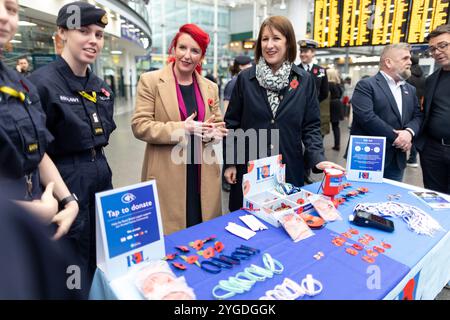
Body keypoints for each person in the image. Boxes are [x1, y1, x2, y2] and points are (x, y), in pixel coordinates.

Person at [29, 1, 116, 291]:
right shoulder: (40, 85)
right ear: (62, 33)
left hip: (101, 178)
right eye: (83, 31)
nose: (93, 40)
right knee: (70, 262)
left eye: (99, 34)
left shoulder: (101, 87)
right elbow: (35, 151)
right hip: (65, 180)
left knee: (101, 257)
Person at [223, 16, 344, 212]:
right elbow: (232, 124)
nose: (269, 45)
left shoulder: (303, 80)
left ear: (288, 42)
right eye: (264, 39)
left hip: (288, 167)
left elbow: (311, 126)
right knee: (247, 223)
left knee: (286, 222)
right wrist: (230, 164)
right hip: (250, 168)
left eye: (276, 38)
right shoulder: (246, 79)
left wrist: (318, 158)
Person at [131, 23, 227, 235]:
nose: (187, 55)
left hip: (202, 174)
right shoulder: (152, 81)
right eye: (183, 47)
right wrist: (183, 128)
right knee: (171, 239)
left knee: (203, 235)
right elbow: (140, 125)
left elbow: (217, 122)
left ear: (201, 56)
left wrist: (214, 133)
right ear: (173, 49)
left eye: (195, 51)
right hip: (168, 174)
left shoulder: (210, 87)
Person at [0, 0, 78, 239]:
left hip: (27, 233)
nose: (4, 16)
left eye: (11, 8)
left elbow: (35, 149)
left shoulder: (19, 84)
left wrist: (69, 200)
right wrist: (32, 212)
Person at [350, 43, 423, 182]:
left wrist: (409, 132)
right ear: (388, 62)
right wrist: (398, 138)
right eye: (405, 58)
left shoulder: (410, 89)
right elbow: (366, 117)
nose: (410, 62)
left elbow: (418, 115)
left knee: (391, 200)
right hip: (368, 157)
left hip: (396, 160)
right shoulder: (366, 85)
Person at [415, 24, 450, 194]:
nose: (437, 52)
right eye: (432, 49)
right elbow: (425, 112)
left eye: (443, 45)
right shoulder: (431, 80)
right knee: (436, 199)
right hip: (433, 151)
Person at [298, 39, 330, 184]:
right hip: (297, 113)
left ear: (313, 53)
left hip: (312, 113)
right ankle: (301, 172)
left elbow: (324, 92)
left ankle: (307, 171)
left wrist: (313, 104)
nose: (303, 54)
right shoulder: (294, 69)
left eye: (306, 51)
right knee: (298, 145)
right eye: (301, 51)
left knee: (312, 144)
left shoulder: (320, 71)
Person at [221, 55, 252, 192]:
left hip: (240, 125)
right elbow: (227, 107)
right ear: (241, 66)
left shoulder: (244, 80)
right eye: (248, 65)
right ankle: (225, 180)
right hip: (236, 125)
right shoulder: (235, 82)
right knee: (232, 153)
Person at [405, 55, 426, 168]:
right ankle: (413, 158)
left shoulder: (408, 76)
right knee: (414, 132)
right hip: (420, 106)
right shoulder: (424, 77)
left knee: (407, 131)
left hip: (409, 106)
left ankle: (409, 157)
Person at [327, 68, 344, 151]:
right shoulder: (338, 84)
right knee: (336, 126)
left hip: (329, 104)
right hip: (338, 104)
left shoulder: (328, 84)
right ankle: (337, 145)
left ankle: (317, 146)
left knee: (322, 126)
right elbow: (341, 94)